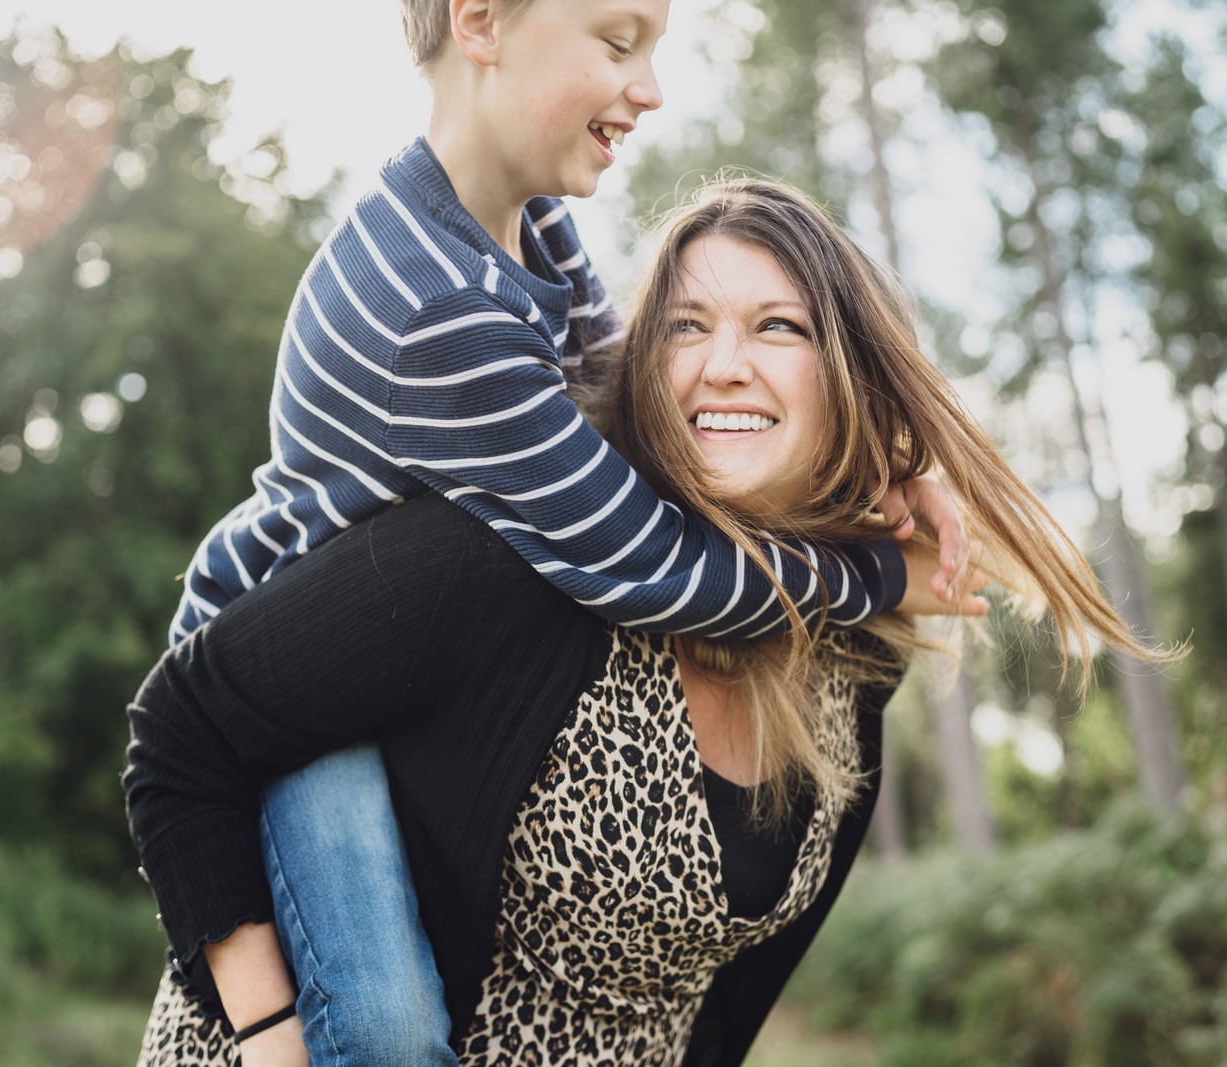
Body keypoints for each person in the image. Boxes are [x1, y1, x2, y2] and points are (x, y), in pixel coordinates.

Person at [125, 178, 1171, 1066]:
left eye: (778, 326)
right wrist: (265, 1027)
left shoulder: (849, 658)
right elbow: (184, 727)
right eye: (686, 326)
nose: (723, 364)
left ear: (846, 375)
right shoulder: (513, 557)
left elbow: (724, 1006)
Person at [146, 0, 973, 1059]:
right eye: (619, 43)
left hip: (369, 662)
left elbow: (638, 397)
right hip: (288, 710)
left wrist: (886, 464)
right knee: (387, 1031)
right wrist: (873, 570)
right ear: (481, 21)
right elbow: (654, 565)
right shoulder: (436, 310)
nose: (651, 88)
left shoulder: (528, 230)